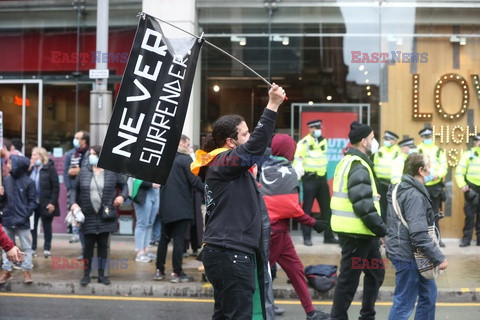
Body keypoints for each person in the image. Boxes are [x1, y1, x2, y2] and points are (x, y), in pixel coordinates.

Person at [190, 83, 286, 320]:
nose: (250, 136)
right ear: (231, 143)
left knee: (225, 315)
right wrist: (272, 105)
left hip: (226, 253)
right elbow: (255, 148)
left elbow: (253, 148)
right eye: (245, 133)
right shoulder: (223, 163)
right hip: (230, 254)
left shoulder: (226, 166)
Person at [260, 133, 330, 320]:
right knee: (261, 276)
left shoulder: (266, 167)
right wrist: (314, 223)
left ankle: (311, 312)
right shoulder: (287, 172)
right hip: (274, 234)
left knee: (297, 271)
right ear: (288, 151)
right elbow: (290, 208)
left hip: (277, 233)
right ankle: (257, 311)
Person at [329, 121, 387, 320]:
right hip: (356, 233)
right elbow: (361, 203)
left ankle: (367, 315)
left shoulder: (351, 162)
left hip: (364, 233)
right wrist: (381, 229)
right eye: (372, 138)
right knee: (348, 281)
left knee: (376, 273)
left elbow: (362, 198)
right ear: (363, 141)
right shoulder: (357, 165)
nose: (374, 142)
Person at [386, 153, 448, 320]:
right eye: (429, 166)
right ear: (421, 170)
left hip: (406, 252)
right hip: (408, 255)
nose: (431, 170)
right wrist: (439, 257)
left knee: (429, 295)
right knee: (404, 304)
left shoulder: (400, 187)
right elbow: (419, 234)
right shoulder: (414, 195)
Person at [69, 145, 127, 286]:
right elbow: (74, 189)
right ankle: (86, 275)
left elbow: (124, 186)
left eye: (94, 154)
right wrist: (73, 204)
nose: (91, 156)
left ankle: (102, 275)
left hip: (105, 215)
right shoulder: (84, 172)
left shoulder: (111, 172)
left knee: (102, 247)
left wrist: (122, 197)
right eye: (90, 154)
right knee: (87, 247)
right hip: (88, 214)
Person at [154, 135, 204, 283]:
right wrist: (209, 189)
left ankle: (159, 270)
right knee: (179, 241)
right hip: (182, 208)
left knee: (163, 240)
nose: (189, 148)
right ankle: (177, 273)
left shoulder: (164, 160)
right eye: (187, 145)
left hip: (165, 207)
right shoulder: (185, 160)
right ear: (180, 143)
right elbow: (194, 181)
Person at [294, 119, 337, 246]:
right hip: (309, 179)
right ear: (310, 129)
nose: (317, 130)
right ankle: (307, 237)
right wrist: (298, 176)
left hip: (322, 179)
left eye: (319, 127)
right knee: (307, 209)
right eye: (315, 128)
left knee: (326, 209)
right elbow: (298, 160)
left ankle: (328, 236)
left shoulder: (324, 141)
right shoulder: (304, 143)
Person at [0, 155, 37, 284]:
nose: (8, 165)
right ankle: (7, 270)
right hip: (8, 219)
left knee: (27, 247)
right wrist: (1, 195)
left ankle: (26, 270)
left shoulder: (29, 182)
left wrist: (24, 215)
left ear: (17, 166)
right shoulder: (6, 181)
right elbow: (2, 202)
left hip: (22, 221)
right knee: (6, 247)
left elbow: (33, 202)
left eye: (10, 163)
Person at [417, 127, 448, 247]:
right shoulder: (417, 149)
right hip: (421, 186)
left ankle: (437, 238)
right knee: (420, 213)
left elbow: (444, 167)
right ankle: (422, 239)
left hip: (435, 187)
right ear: (421, 138)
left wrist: (438, 175)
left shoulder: (438, 150)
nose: (427, 139)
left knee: (434, 214)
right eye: (425, 137)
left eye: (429, 137)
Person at [29, 147, 60, 258]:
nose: (32, 158)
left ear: (42, 157)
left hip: (46, 202)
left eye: (35, 155)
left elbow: (55, 187)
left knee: (47, 226)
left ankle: (47, 248)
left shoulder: (49, 168)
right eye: (32, 155)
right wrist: (29, 168)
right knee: (33, 227)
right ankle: (33, 248)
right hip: (33, 203)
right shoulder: (31, 169)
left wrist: (52, 202)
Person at [64, 130, 90, 245]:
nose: (74, 140)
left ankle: (87, 249)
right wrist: (70, 188)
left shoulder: (90, 153)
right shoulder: (70, 154)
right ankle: (82, 246)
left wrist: (79, 171)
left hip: (87, 192)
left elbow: (89, 171)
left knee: (87, 221)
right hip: (75, 192)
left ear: (84, 140)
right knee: (77, 219)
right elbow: (66, 172)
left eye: (77, 138)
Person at [455, 133, 480, 247]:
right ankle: (466, 239)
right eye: (478, 140)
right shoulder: (468, 155)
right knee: (470, 216)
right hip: (471, 189)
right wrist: (462, 185)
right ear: (474, 142)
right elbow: (459, 172)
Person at [373, 130, 401, 219]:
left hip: (392, 184)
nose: (387, 141)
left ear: (395, 141)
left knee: (392, 208)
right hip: (380, 184)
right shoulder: (380, 151)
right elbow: (375, 166)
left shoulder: (398, 152)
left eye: (389, 139)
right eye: (385, 139)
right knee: (381, 207)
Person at [132, 179, 160, 262]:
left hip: (155, 192)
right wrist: (151, 183)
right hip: (144, 193)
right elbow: (136, 180)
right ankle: (140, 252)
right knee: (142, 224)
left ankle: (145, 249)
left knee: (150, 223)